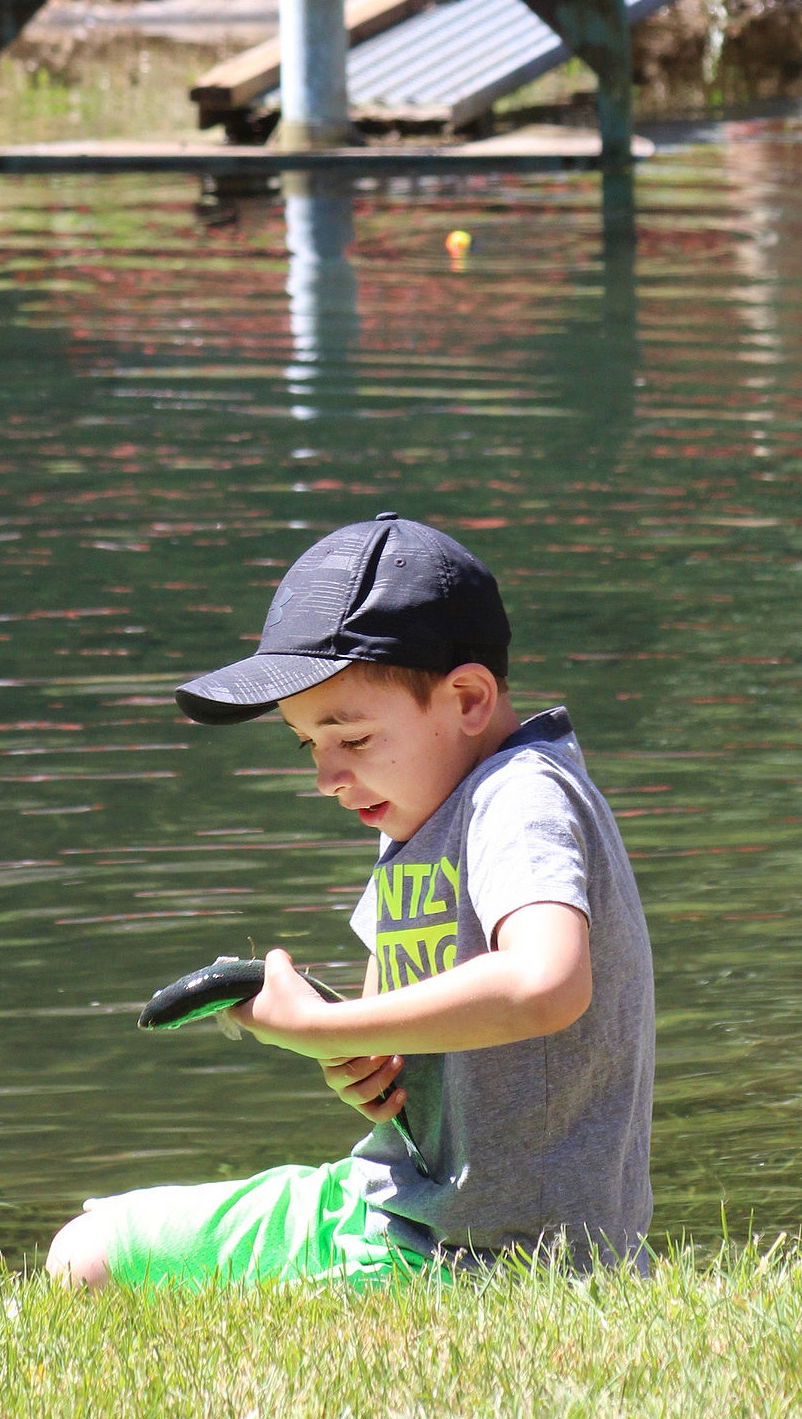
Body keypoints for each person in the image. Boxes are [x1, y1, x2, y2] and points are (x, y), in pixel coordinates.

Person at [46, 512, 655, 1289]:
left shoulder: (517, 795)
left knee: (90, 1268)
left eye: (352, 740)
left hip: (489, 1255)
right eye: (308, 744)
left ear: (468, 698)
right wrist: (364, 1064)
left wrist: (320, 1026)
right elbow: (405, 1018)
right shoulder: (417, 801)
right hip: (399, 1206)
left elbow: (546, 984)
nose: (326, 777)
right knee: (88, 1246)